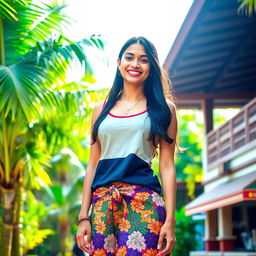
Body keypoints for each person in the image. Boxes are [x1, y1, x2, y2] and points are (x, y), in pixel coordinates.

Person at [76, 36, 178, 256]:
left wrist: (171, 220)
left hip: (144, 202)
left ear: (151, 67)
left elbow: (167, 166)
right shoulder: (100, 109)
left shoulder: (164, 109)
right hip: (103, 203)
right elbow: (92, 164)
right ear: (119, 63)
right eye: (129, 57)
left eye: (143, 60)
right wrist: (84, 215)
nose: (135, 64)